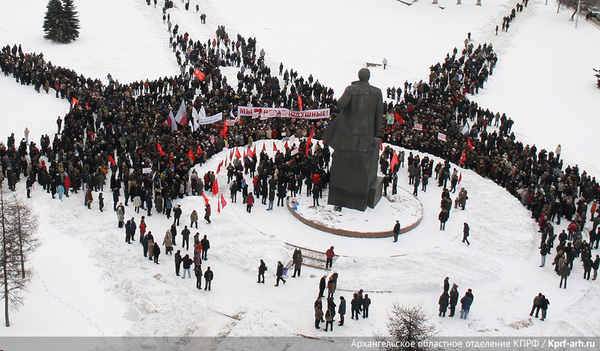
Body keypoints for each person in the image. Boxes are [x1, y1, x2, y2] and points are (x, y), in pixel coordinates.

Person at [321, 68, 383, 211]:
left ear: (358, 76)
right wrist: (377, 134)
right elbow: (379, 114)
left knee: (346, 159)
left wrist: (351, 89)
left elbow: (341, 104)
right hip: (366, 135)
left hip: (348, 134)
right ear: (369, 77)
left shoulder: (352, 89)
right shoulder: (376, 92)